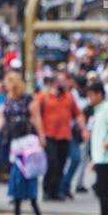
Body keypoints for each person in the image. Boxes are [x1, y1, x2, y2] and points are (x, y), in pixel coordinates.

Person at [0, 70, 47, 215]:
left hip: (28, 145)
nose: (6, 86)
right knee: (16, 185)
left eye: (8, 82)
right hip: (15, 146)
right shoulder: (8, 100)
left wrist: (42, 137)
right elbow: (1, 119)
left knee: (31, 184)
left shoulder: (28, 100)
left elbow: (36, 119)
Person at [35, 71, 85, 201]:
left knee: (61, 163)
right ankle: (47, 189)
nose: (63, 84)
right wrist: (40, 134)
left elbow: (77, 113)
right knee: (52, 162)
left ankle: (56, 190)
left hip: (65, 134)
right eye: (61, 81)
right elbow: (36, 115)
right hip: (49, 134)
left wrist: (84, 128)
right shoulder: (44, 96)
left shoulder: (69, 96)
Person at [85, 82, 108, 215]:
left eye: (92, 95)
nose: (89, 99)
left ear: (100, 94)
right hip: (98, 156)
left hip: (106, 156)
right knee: (101, 190)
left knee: (104, 191)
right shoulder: (97, 111)